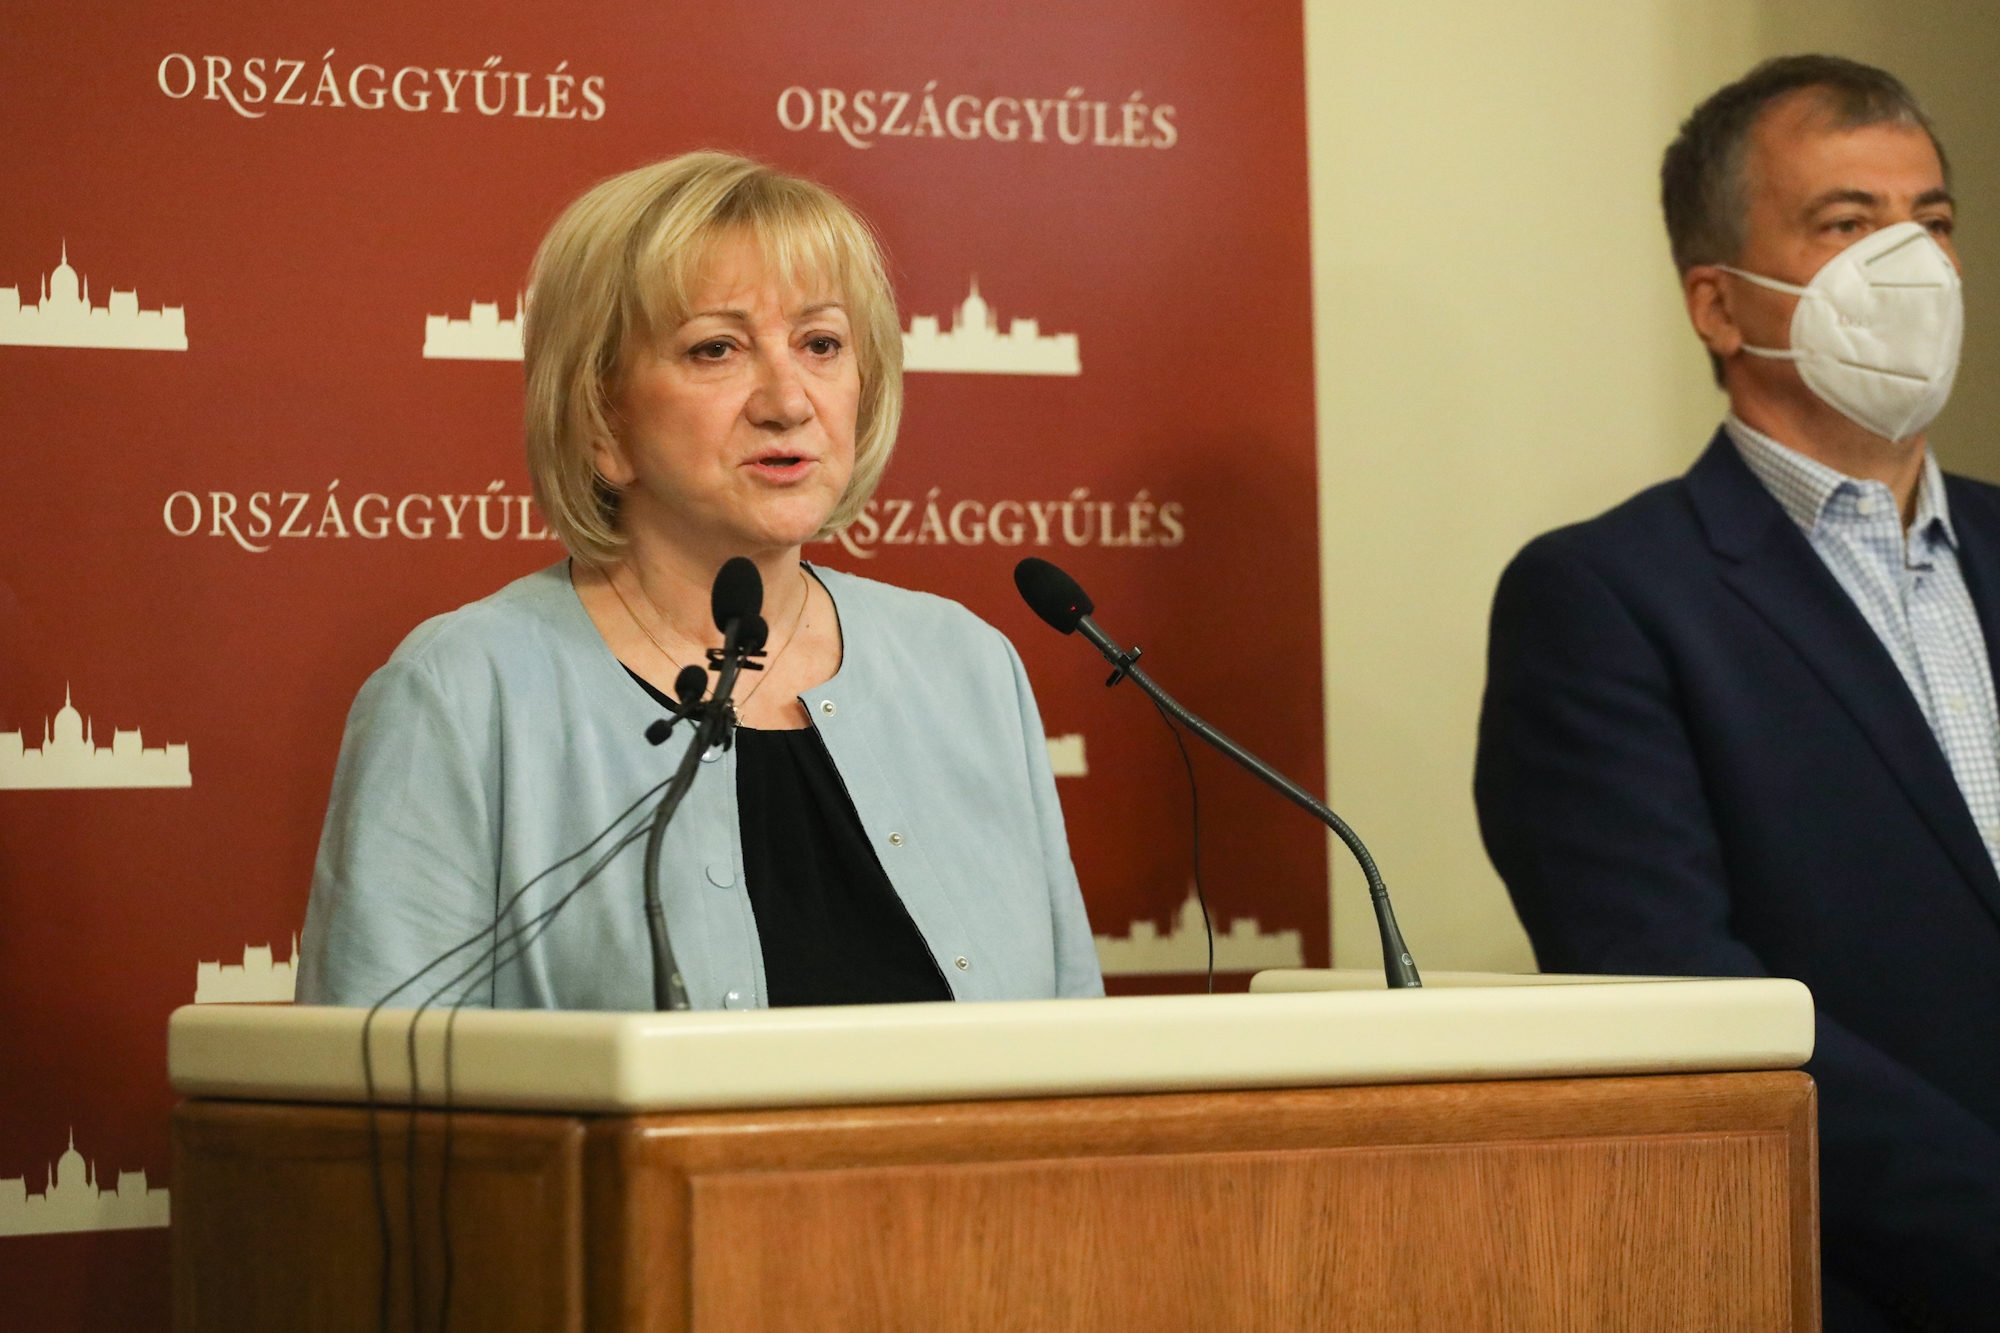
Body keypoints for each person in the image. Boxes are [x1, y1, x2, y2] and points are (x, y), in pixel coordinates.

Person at [298, 152, 1103, 1013]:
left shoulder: (968, 668)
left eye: (821, 344)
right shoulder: (463, 691)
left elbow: (1078, 1054)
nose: (788, 400)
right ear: (602, 418)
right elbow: (378, 1076)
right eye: (717, 349)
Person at [1475, 57, 2000, 1329]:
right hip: (1845, 1282)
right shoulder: (1602, 599)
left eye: (1930, 220)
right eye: (1846, 223)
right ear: (1717, 304)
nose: (1910, 265)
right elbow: (1685, 999)